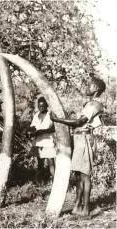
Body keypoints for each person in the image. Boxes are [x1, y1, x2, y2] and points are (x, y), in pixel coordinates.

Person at [50, 76, 106, 216]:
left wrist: (57, 119)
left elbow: (79, 121)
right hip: (79, 138)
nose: (87, 87)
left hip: (85, 139)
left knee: (85, 175)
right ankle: (77, 206)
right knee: (78, 175)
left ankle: (86, 209)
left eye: (90, 85)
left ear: (97, 89)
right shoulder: (89, 104)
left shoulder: (94, 105)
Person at [29, 97, 56, 183]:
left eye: (43, 106)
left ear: (47, 105)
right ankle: (40, 181)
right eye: (39, 106)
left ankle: (55, 182)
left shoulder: (51, 115)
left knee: (51, 162)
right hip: (38, 142)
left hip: (48, 142)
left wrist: (42, 131)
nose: (41, 108)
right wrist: (33, 131)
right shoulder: (36, 115)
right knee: (40, 163)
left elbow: (54, 128)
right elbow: (33, 126)